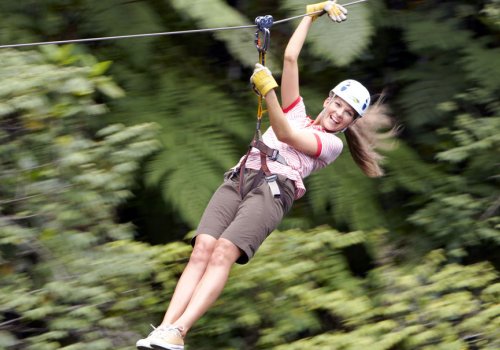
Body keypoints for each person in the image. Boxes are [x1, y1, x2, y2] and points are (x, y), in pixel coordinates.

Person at [136, 1, 393, 349]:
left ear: (350, 123)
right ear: (329, 99)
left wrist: (268, 91)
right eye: (338, 104)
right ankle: (163, 329)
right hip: (241, 176)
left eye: (347, 114)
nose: (338, 114)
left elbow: (285, 134)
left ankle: (180, 332)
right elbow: (289, 59)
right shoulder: (299, 110)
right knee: (202, 248)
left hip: (273, 191)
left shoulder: (331, 146)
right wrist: (308, 17)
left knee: (224, 250)